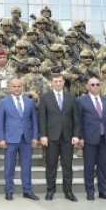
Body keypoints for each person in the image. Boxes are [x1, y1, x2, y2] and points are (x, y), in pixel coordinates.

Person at [38, 73, 80, 202]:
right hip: (51, 137)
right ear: (51, 83)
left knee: (67, 166)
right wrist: (43, 135)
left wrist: (76, 135)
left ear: (63, 82)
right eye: (55, 81)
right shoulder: (45, 98)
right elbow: (42, 119)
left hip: (67, 137)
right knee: (51, 166)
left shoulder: (71, 97)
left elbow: (76, 119)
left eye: (60, 81)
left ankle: (68, 191)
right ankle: (50, 190)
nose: (58, 84)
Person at [0, 78, 39, 201]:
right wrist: (1, 139)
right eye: (14, 86)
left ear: (23, 87)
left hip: (26, 138)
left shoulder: (29, 102)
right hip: (10, 139)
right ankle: (9, 190)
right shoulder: (4, 102)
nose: (17, 89)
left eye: (19, 86)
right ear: (10, 88)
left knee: (27, 166)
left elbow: (34, 121)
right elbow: (0, 122)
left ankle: (27, 190)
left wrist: (35, 137)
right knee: (9, 166)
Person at [77, 77, 106, 201]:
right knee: (89, 166)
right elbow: (78, 121)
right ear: (87, 87)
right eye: (92, 84)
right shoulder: (81, 101)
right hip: (89, 138)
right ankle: (90, 191)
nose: (95, 86)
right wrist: (80, 137)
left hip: (104, 138)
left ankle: (103, 191)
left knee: (102, 166)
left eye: (97, 84)